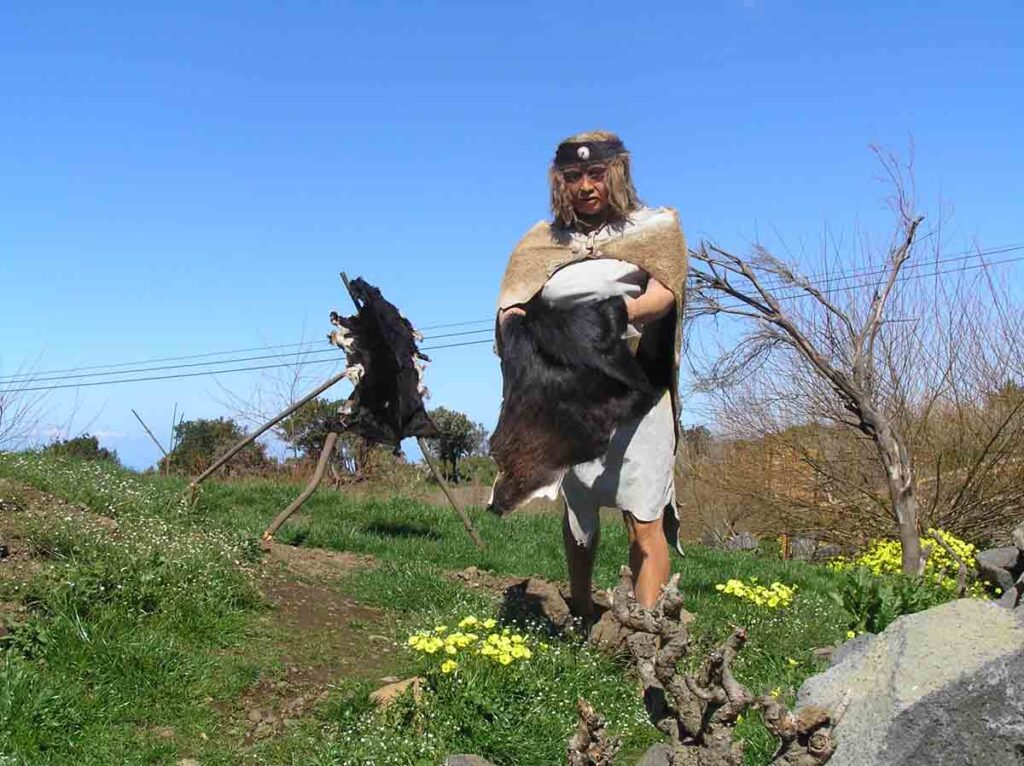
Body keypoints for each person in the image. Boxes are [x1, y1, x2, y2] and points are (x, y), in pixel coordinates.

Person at [495, 130, 688, 616]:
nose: (586, 186)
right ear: (560, 182)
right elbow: (511, 304)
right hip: (572, 394)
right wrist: (521, 334)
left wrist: (616, 315)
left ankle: (648, 633)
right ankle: (582, 610)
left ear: (616, 174)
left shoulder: (653, 227)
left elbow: (666, 292)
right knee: (580, 506)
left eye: (596, 174)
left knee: (645, 515)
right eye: (574, 177)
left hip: (638, 388)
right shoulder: (542, 242)